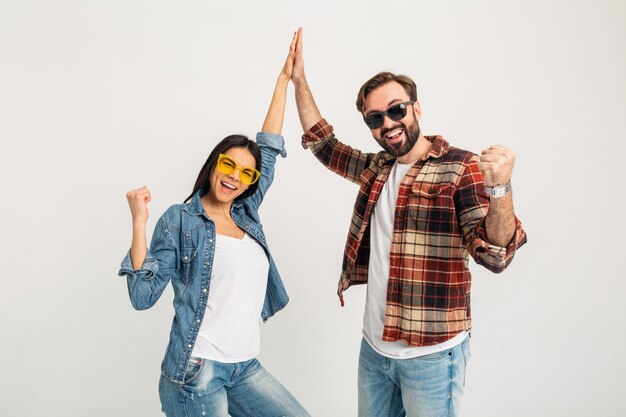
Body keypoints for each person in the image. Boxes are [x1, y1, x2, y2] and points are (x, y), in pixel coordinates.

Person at [289, 28, 527, 417]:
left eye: (397, 109)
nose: (388, 122)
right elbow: (324, 145)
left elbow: (496, 256)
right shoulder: (377, 168)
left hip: (432, 359)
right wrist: (299, 80)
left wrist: (500, 186)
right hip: (374, 352)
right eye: (375, 117)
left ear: (417, 108)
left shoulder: (460, 168)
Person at [118, 32, 310, 417]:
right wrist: (139, 222)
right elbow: (142, 296)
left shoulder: (246, 211)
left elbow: (268, 147)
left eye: (246, 173)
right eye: (228, 165)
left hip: (244, 367)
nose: (235, 177)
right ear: (214, 164)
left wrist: (285, 78)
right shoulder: (181, 219)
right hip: (197, 371)